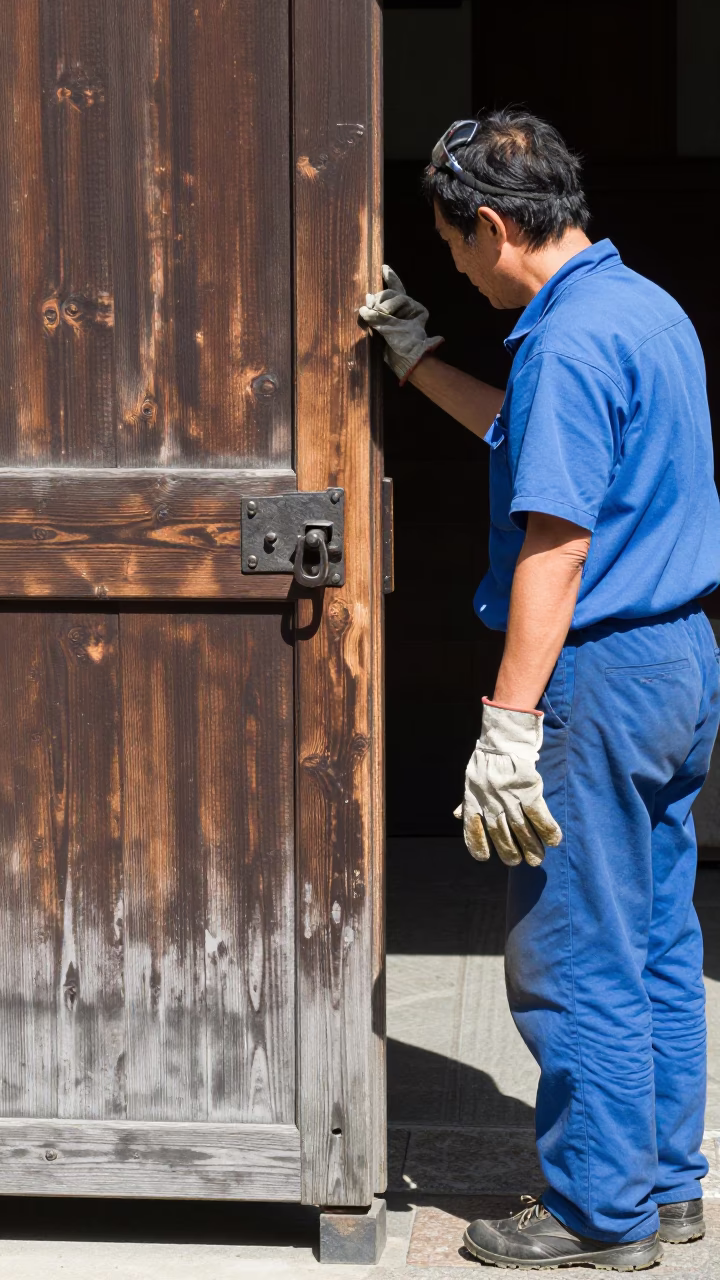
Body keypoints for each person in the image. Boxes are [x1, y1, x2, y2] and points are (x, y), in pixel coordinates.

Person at [360, 108, 720, 1270]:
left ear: (499, 225)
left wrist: (509, 723)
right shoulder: (642, 306)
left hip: (599, 673)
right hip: (680, 660)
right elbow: (533, 438)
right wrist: (416, 362)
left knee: (575, 950)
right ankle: (665, 1187)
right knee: (657, 934)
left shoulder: (564, 342)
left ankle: (595, 1213)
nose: (458, 269)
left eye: (456, 247)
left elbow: (557, 545)